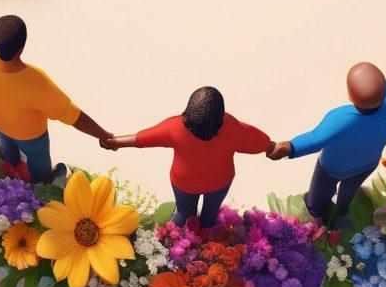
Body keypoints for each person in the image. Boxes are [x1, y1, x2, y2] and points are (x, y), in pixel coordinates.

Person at [268, 43, 386, 223]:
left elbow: (314, 139)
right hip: (367, 164)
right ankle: (342, 209)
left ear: (350, 96)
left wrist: (290, 147)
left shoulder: (339, 118)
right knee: (349, 191)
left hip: (331, 168)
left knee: (317, 196)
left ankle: (318, 212)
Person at [0, 15, 112, 183]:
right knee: (38, 161)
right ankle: (41, 181)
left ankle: (8, 164)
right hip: (32, 136)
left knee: (6, 149)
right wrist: (102, 135)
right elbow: (73, 116)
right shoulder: (36, 81)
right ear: (21, 47)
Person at [104, 87, 272, 228]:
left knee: (184, 214)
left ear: (189, 112)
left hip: (185, 183)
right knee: (210, 217)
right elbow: (254, 139)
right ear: (220, 115)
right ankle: (206, 247)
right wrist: (271, 147)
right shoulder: (232, 128)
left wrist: (115, 142)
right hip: (219, 182)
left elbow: (141, 138)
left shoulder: (174, 128)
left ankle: (170, 247)